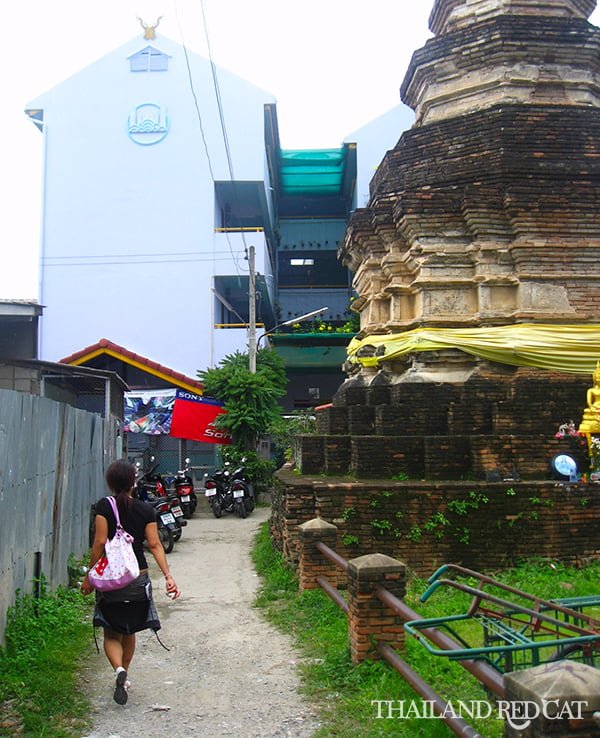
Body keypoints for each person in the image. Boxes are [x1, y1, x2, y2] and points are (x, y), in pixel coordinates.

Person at [81, 459, 180, 705]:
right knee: (130, 630)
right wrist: (168, 576)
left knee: (111, 631)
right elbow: (155, 544)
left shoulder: (105, 506)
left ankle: (118, 671)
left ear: (110, 483)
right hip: (138, 578)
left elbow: (100, 542)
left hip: (111, 580)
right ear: (133, 482)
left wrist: (89, 576)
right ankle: (125, 675)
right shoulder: (146, 510)